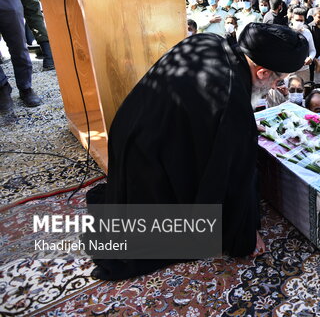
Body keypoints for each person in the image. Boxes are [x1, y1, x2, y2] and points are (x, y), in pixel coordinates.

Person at [85, 23, 308, 280]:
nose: (274, 87)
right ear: (262, 72)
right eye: (277, 80)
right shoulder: (231, 96)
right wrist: (245, 231)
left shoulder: (209, 41)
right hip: (146, 162)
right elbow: (233, 176)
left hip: (128, 133)